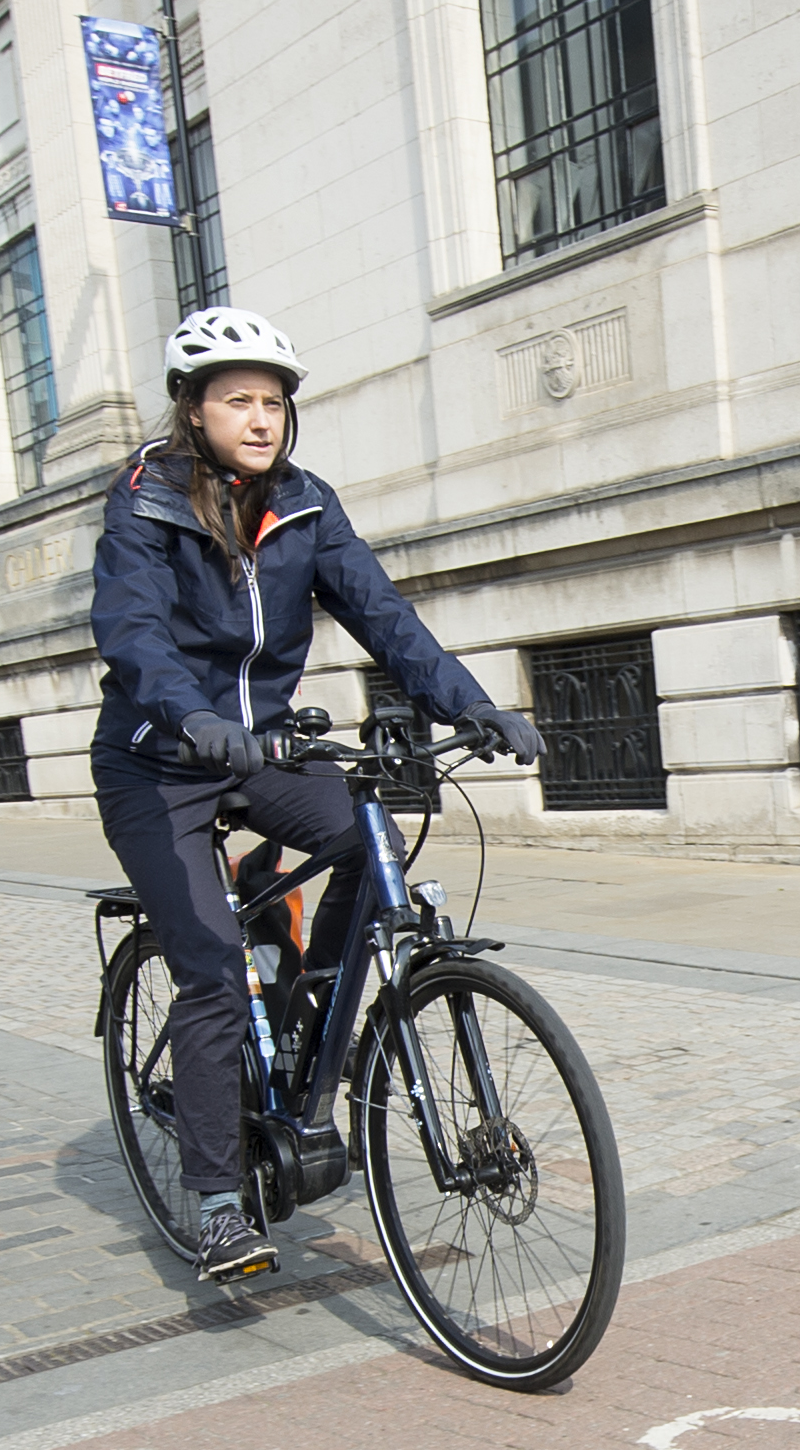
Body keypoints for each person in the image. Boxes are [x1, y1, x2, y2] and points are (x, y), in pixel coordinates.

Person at [89, 307, 545, 1282]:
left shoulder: (303, 502)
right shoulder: (145, 500)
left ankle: (304, 1005)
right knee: (208, 965)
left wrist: (472, 705)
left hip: (256, 745)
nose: (258, 418)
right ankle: (217, 1200)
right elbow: (132, 631)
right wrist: (186, 713)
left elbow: (382, 612)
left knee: (365, 835)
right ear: (194, 410)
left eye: (271, 401)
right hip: (154, 755)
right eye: (236, 400)